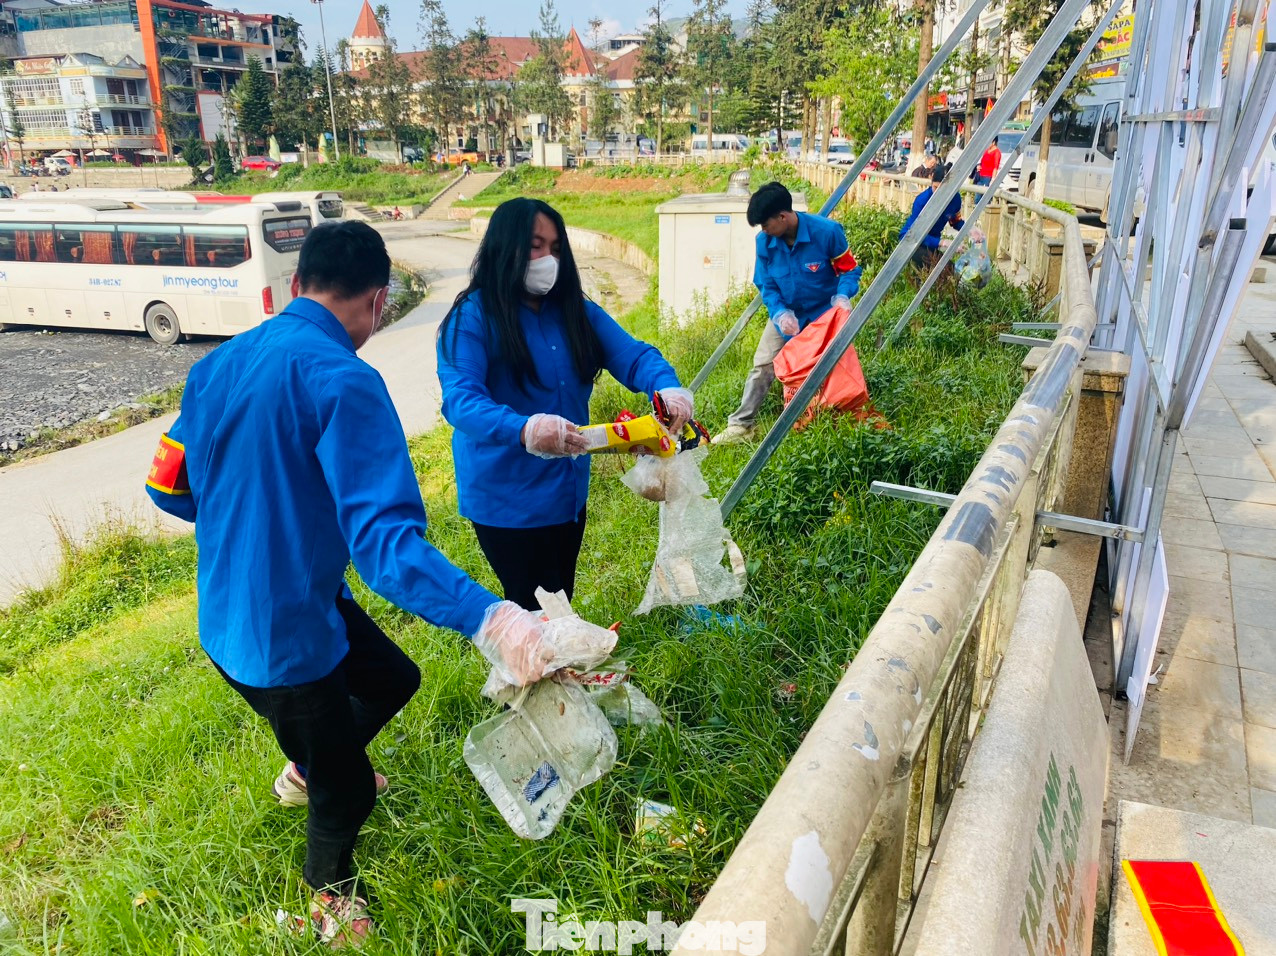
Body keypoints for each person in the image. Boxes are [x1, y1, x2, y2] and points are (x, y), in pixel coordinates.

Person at [145, 221, 609, 947]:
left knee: (393, 676)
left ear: (297, 286)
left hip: (234, 612)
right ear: (378, 301)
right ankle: (327, 897)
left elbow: (168, 490)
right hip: (285, 640)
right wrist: (494, 618)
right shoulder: (344, 381)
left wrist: (262, 517)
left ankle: (314, 761)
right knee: (350, 791)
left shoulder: (222, 362)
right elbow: (387, 546)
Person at [437, 198, 693, 609]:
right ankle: (540, 670)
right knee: (534, 607)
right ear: (507, 247)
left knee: (560, 599)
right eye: (535, 246)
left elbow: (635, 355)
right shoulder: (473, 317)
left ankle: (559, 667)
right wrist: (524, 429)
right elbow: (461, 400)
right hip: (507, 499)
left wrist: (668, 389)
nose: (547, 259)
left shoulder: (575, 312)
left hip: (566, 492)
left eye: (556, 249)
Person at [712, 182, 863, 445]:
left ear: (783, 216)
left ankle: (830, 418)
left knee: (830, 367)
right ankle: (742, 424)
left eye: (765, 224)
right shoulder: (765, 243)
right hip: (787, 314)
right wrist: (780, 313)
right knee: (763, 364)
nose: (763, 231)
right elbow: (766, 283)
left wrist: (842, 296)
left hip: (823, 314)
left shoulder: (827, 232)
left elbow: (849, 270)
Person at [900, 166, 966, 272]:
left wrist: (970, 230)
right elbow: (915, 234)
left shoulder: (955, 199)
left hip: (932, 243)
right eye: (935, 187)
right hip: (913, 243)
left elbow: (955, 221)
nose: (937, 193)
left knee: (951, 271)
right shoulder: (922, 201)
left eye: (943, 190)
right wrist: (942, 242)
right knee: (942, 270)